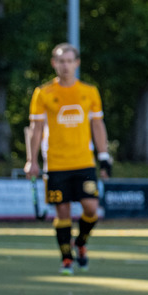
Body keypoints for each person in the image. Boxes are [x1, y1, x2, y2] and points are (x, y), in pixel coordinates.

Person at [23, 43, 113, 275]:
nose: (65, 65)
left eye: (69, 61)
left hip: (83, 162)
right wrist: (31, 160)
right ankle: (66, 258)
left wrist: (104, 157)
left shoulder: (89, 91)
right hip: (56, 163)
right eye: (61, 61)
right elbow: (35, 128)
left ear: (77, 63)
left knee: (91, 208)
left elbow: (98, 124)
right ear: (54, 63)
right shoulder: (43, 93)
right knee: (62, 213)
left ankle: (80, 243)